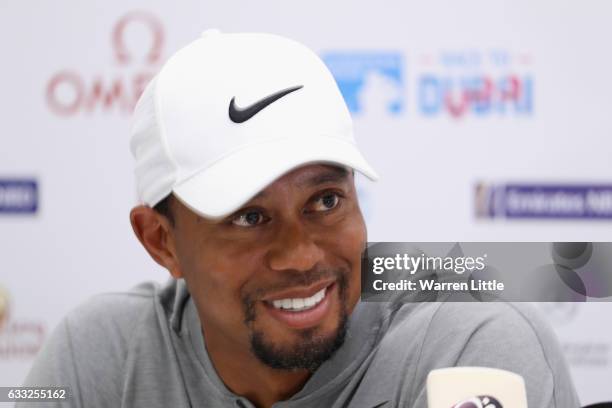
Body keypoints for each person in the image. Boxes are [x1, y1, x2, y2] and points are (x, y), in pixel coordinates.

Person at [21, 30, 580, 408]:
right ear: (161, 241)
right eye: (248, 216)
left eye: (326, 202)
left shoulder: (469, 339)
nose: (302, 255)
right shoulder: (98, 354)